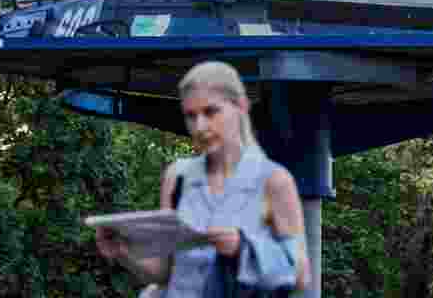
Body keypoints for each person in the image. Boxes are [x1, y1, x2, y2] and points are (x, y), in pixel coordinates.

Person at [96, 61, 310, 297]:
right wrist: (124, 252)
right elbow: (167, 272)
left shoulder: (273, 180)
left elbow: (300, 276)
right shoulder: (177, 177)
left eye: (210, 112)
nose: (200, 127)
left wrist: (242, 248)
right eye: (191, 115)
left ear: (240, 106)